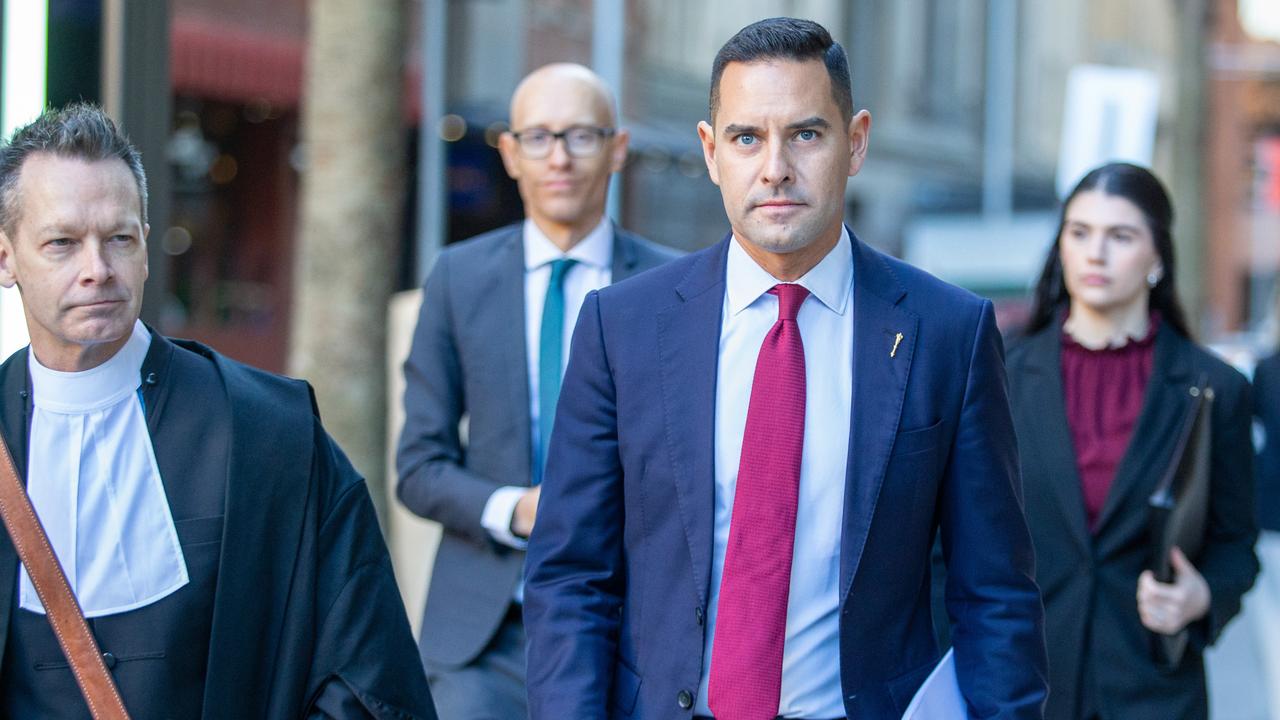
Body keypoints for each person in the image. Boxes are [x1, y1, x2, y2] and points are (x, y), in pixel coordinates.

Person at [523, 17, 1047, 720]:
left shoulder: (947, 332)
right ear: (711, 152)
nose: (775, 168)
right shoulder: (622, 328)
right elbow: (571, 576)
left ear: (854, 141)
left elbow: (994, 592)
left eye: (805, 134)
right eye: (747, 138)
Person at [0, 103, 436, 719]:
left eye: (119, 238)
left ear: (147, 248)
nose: (96, 270)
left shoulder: (268, 435)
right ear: (6, 258)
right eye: (62, 244)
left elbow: (365, 677)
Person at [395, 63, 677, 718]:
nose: (560, 157)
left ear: (618, 148)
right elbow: (418, 467)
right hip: (485, 634)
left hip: (631, 623)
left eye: (581, 135)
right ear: (510, 153)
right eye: (539, 137)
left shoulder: (673, 287)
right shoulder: (458, 281)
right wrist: (519, 510)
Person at [1007, 162, 1258, 720]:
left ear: (1158, 258)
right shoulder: (999, 372)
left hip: (1153, 690)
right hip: (1022, 686)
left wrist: (1203, 596)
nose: (1095, 254)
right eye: (1080, 233)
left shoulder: (1215, 389)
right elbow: (949, 541)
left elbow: (1236, 544)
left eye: (1120, 236)